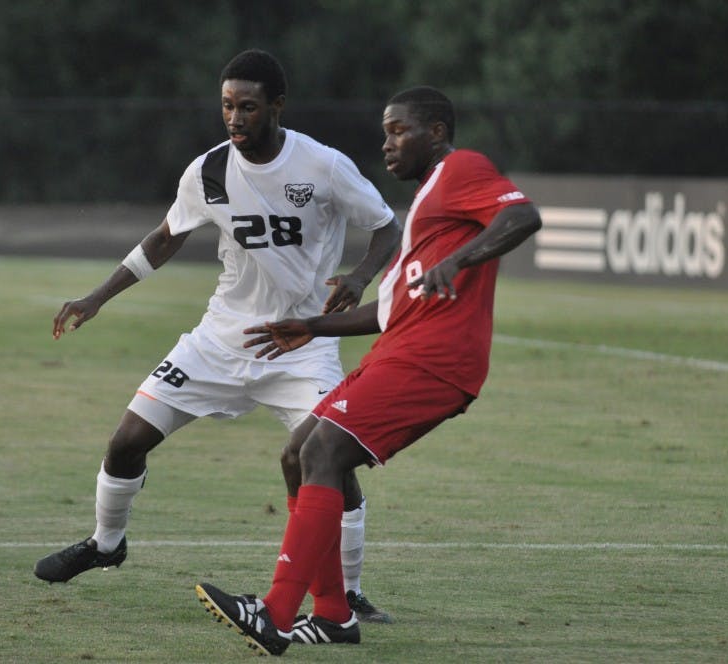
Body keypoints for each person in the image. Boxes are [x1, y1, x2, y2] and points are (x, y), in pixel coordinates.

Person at [33, 49, 401, 622]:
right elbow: (164, 238)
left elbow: (385, 225)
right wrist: (96, 297)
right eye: (227, 105)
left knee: (330, 462)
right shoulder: (207, 170)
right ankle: (107, 544)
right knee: (126, 441)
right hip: (219, 341)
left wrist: (357, 277)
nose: (234, 118)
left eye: (248, 107)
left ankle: (348, 593)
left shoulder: (322, 165)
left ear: (277, 106)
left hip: (301, 346)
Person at [195, 85, 543, 654]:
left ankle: (276, 613)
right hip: (399, 350)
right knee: (298, 452)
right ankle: (333, 614)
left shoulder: (461, 170)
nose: (386, 143)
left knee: (323, 453)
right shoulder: (426, 207)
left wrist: (460, 259)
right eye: (385, 131)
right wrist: (310, 326)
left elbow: (521, 216)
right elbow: (388, 311)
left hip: (433, 361)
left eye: (398, 130)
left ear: (435, 132)